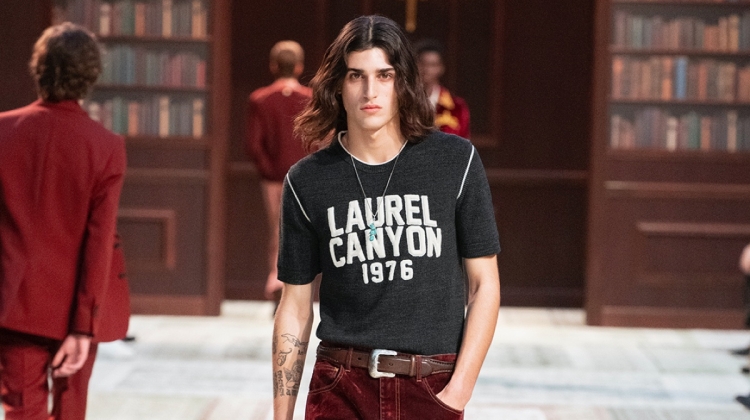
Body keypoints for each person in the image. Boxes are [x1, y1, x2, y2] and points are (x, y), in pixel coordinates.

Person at [272, 15, 500, 419]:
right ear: (337, 85)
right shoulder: (307, 181)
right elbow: (295, 306)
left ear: (403, 82)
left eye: (384, 75)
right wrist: (281, 416)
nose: (370, 91)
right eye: (356, 76)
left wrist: (458, 392)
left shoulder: (454, 161)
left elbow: (484, 285)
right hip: (339, 387)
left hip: (431, 386)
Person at [0, 22, 126, 420]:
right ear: (90, 76)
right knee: (72, 411)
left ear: (38, 68)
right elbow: (99, 241)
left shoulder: (2, 131)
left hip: (15, 302)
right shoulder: (105, 146)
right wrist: (83, 328)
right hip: (79, 305)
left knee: (22, 411)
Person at [246, 40, 313, 303]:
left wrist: (268, 170)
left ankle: (277, 277)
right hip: (304, 175)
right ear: (299, 67)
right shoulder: (310, 99)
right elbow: (317, 138)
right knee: (300, 228)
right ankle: (295, 284)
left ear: (273, 66)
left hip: (273, 177)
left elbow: (253, 143)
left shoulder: (260, 99)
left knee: (277, 226)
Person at [414, 38, 471, 139]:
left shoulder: (457, 107)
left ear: (441, 68)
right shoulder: (404, 102)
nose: (426, 69)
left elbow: (464, 141)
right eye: (423, 64)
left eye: (432, 65)